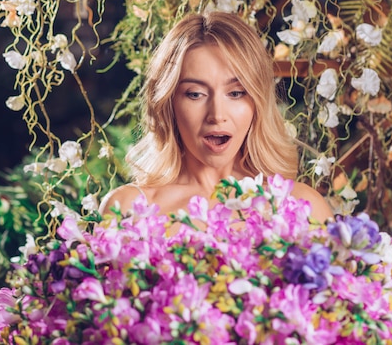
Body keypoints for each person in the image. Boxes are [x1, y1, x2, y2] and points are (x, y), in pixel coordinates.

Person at [100, 11, 333, 223]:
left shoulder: (303, 207)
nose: (217, 115)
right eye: (195, 94)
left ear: (257, 102)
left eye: (236, 93)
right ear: (168, 103)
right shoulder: (130, 210)